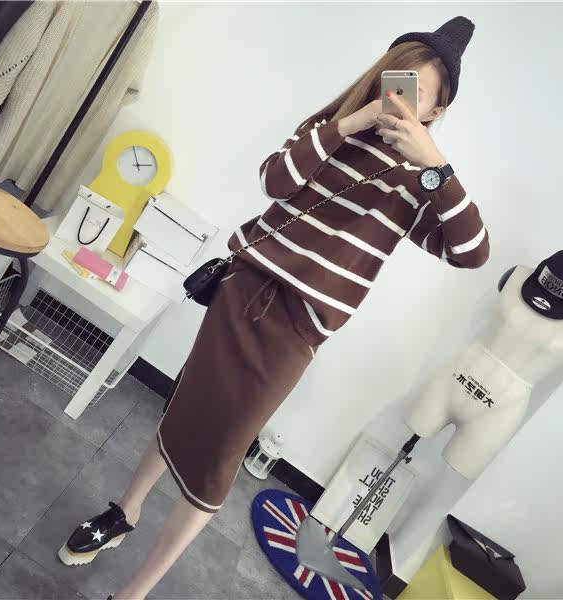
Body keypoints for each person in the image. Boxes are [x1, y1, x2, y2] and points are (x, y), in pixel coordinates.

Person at [58, 15, 490, 600]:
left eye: (416, 93)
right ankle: (125, 511)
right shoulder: (331, 130)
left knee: (222, 454)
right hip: (242, 290)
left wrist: (435, 164)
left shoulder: (421, 183)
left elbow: (471, 252)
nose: (399, 99)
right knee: (184, 403)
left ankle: (134, 592)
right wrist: (350, 123)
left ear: (435, 110)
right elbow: (274, 181)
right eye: (396, 80)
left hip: (295, 330)